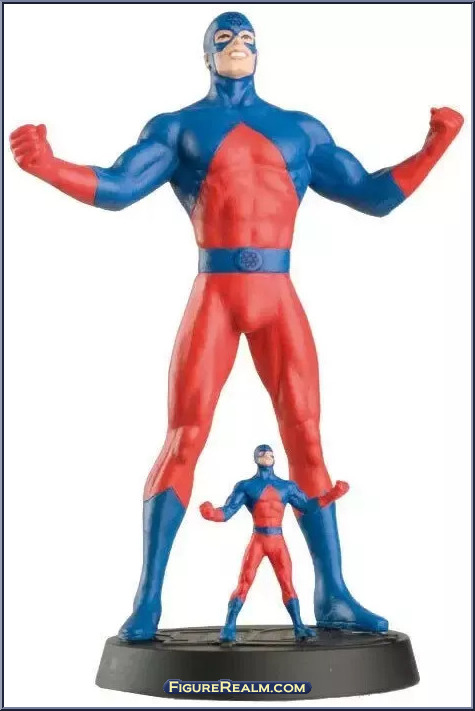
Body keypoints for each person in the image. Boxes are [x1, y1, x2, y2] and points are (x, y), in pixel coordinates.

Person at [10, 11, 463, 641]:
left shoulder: (300, 130)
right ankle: (147, 602)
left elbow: (372, 195)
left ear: (261, 51)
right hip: (216, 293)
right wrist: (46, 165)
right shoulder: (178, 127)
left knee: (307, 440)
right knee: (184, 439)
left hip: (278, 293)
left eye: (247, 37)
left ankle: (333, 594)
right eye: (223, 38)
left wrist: (436, 145)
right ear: (206, 54)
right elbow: (118, 188)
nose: (237, 45)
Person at [200, 445, 348, 643]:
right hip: (259, 539)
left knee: (287, 583)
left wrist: (332, 495)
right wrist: (212, 514)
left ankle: (299, 626)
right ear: (255, 458)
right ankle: (229, 626)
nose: (267, 456)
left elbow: (306, 506)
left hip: (277, 540)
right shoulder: (246, 486)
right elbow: (228, 511)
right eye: (262, 454)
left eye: (270, 454)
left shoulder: (287, 486)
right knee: (244, 582)